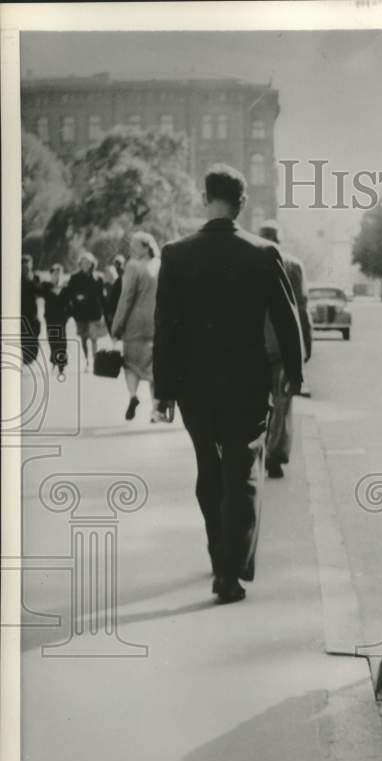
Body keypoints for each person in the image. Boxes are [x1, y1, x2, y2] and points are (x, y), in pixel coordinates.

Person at [153, 164, 304, 605]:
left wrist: (163, 391)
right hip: (248, 384)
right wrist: (294, 375)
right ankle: (228, 571)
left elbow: (166, 327)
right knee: (242, 474)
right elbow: (286, 319)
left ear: (205, 198)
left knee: (209, 470)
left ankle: (219, 555)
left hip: (193, 387)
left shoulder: (176, 254)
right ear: (242, 203)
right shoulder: (262, 252)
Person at [259, 220, 313, 478]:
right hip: (284, 345)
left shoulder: (249, 261)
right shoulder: (293, 265)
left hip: (255, 344)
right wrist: (306, 346)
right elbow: (302, 309)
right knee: (282, 402)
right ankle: (275, 453)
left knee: (256, 400)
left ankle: (258, 448)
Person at [111, 232, 161, 421]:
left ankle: (133, 396)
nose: (131, 249)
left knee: (130, 365)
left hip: (134, 324)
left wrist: (116, 327)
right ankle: (156, 410)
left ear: (145, 246)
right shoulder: (160, 265)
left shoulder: (133, 267)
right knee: (154, 367)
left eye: (134, 245)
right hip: (156, 324)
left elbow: (126, 299)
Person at [67, 251, 107, 371]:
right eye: (84, 262)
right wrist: (76, 297)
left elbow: (102, 296)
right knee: (84, 338)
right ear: (80, 264)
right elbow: (69, 293)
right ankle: (86, 360)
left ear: (92, 264)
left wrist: (105, 313)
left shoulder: (98, 278)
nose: (86, 265)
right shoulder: (74, 278)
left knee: (94, 337)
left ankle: (95, 361)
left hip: (94, 311)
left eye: (88, 263)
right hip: (80, 312)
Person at [40, 262, 70, 375]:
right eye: (55, 273)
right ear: (51, 274)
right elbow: (40, 291)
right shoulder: (46, 286)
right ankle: (54, 361)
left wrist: (67, 315)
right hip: (50, 319)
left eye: (59, 273)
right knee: (52, 341)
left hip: (61, 319)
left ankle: (61, 366)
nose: (57, 275)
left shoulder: (65, 288)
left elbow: (68, 303)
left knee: (62, 342)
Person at [21, 255, 41, 366]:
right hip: (22, 312)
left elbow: (39, 292)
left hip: (33, 312)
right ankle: (26, 359)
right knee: (25, 336)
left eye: (28, 265)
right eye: (24, 266)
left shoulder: (35, 277)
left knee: (34, 334)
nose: (26, 268)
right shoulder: (18, 278)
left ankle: (32, 357)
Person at [104, 254, 126, 328]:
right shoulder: (111, 272)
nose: (118, 265)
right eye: (116, 263)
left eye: (119, 263)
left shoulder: (125, 274)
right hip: (113, 301)